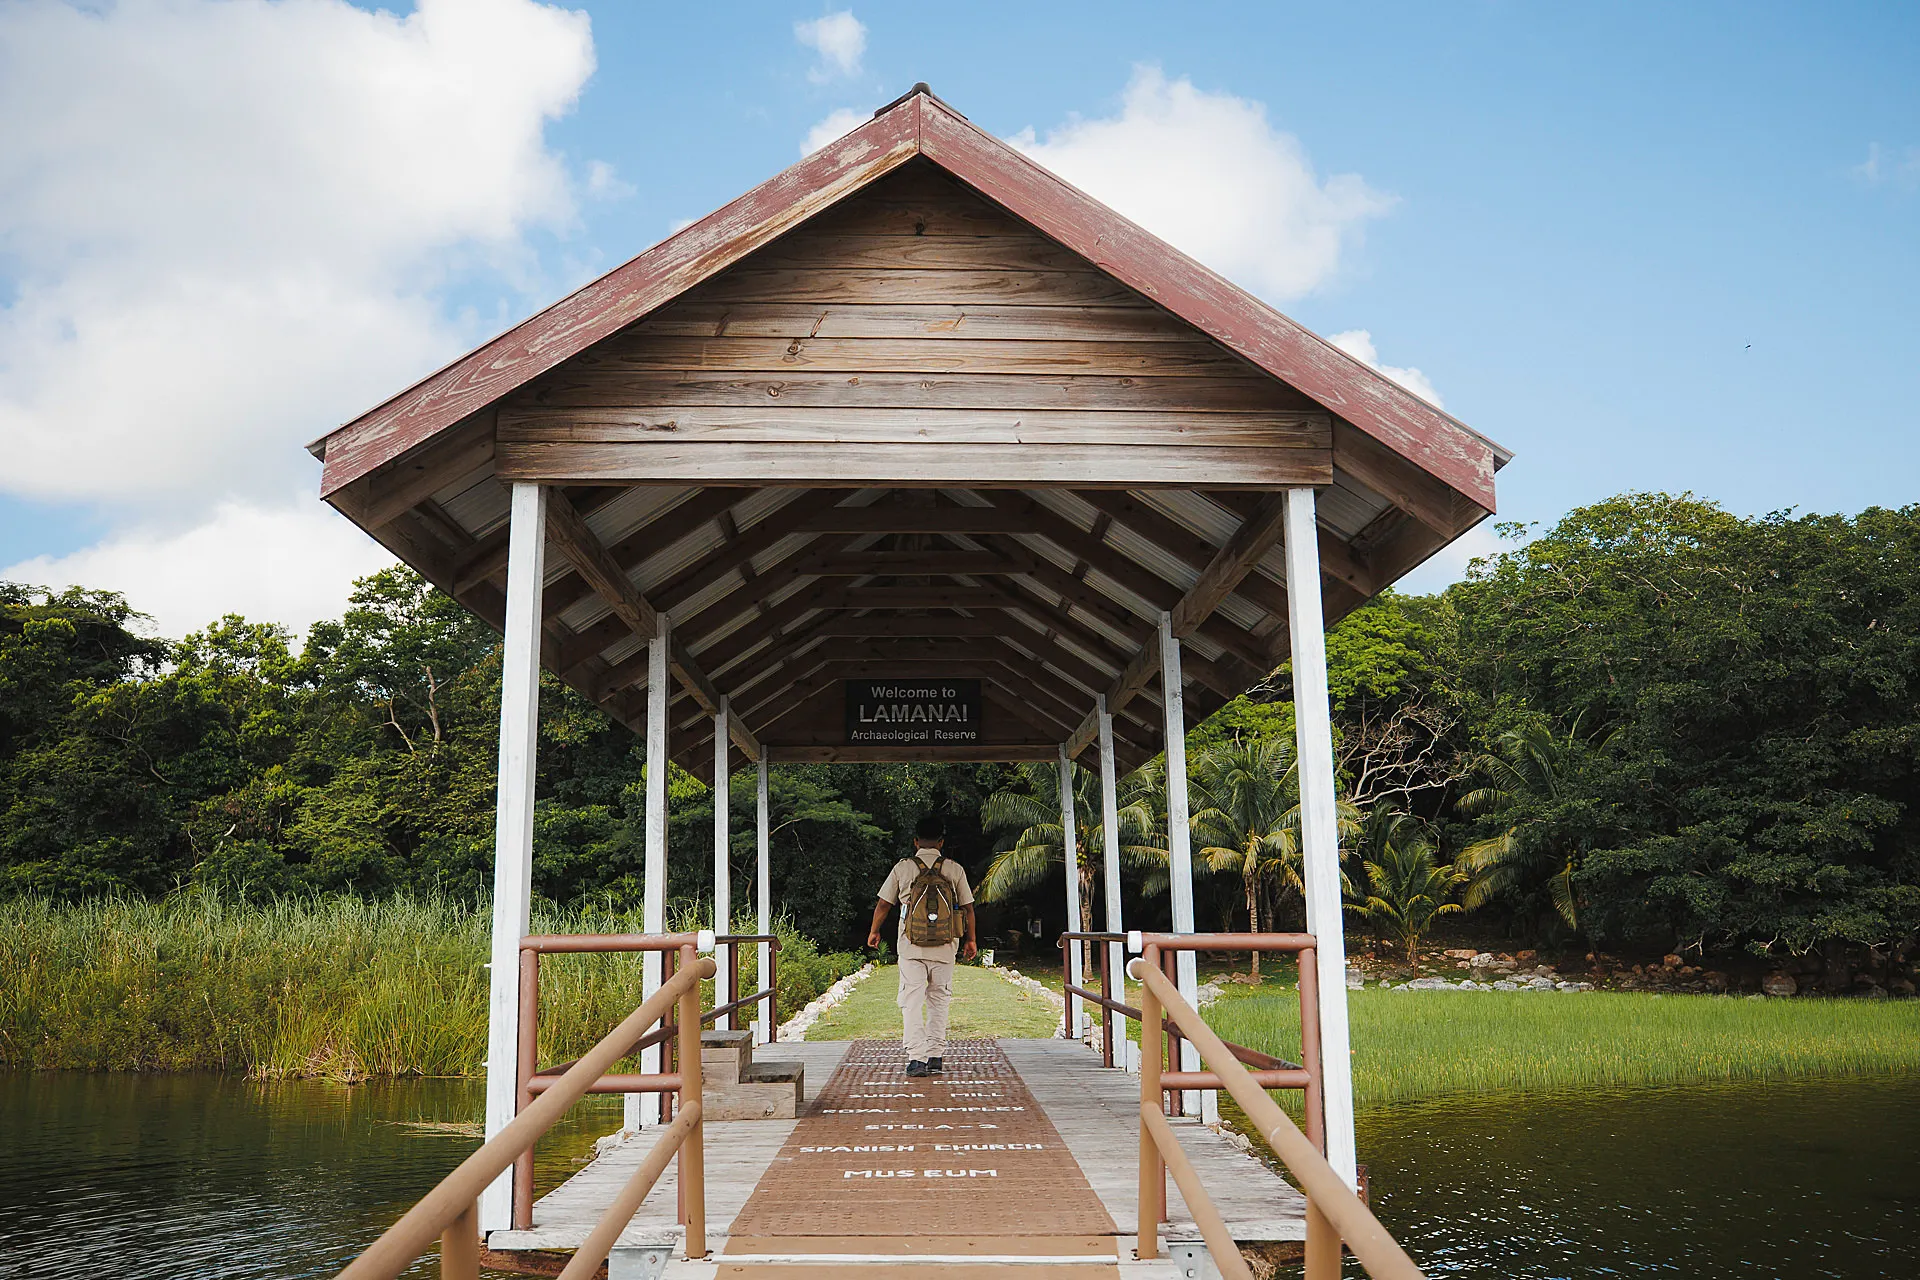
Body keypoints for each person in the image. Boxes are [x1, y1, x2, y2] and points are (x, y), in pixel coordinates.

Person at [866, 814, 977, 1077]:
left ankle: (917, 1059)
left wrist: (874, 931)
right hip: (945, 947)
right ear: (941, 841)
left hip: (910, 947)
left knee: (912, 1001)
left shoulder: (903, 868)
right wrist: (970, 940)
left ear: (916, 841)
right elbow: (969, 908)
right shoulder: (953, 868)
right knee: (939, 1000)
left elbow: (884, 904)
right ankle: (936, 1055)